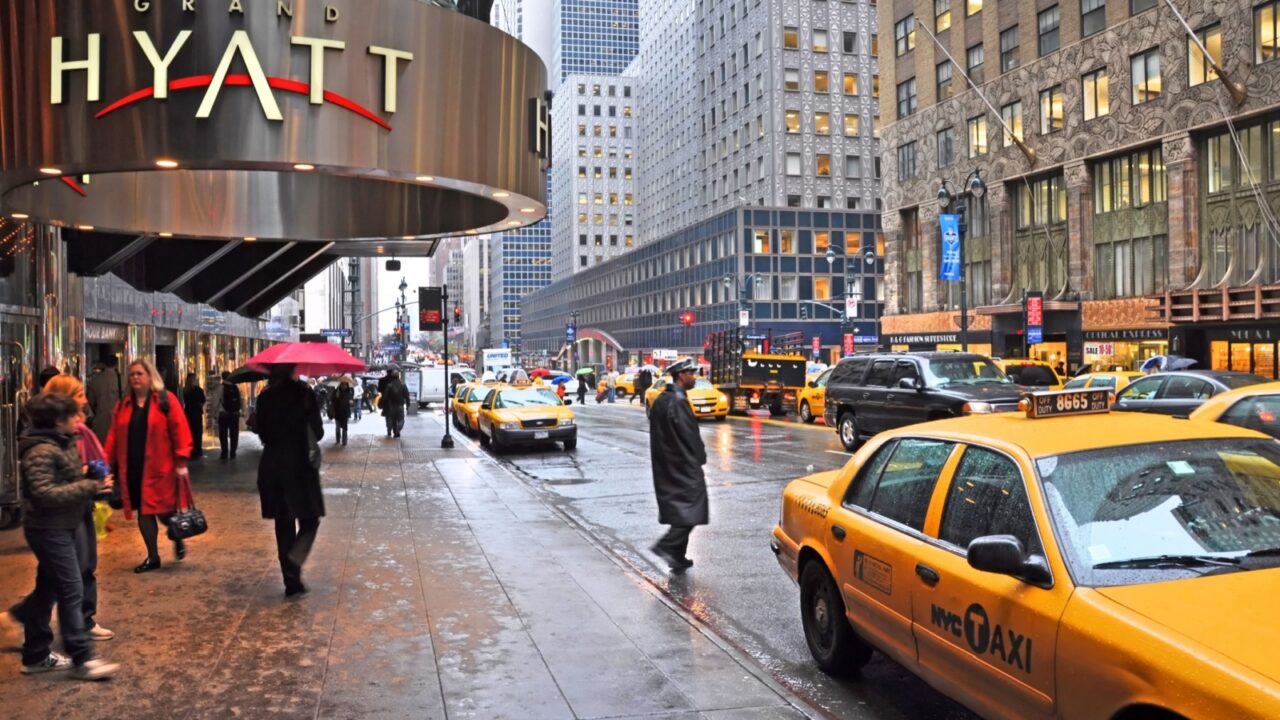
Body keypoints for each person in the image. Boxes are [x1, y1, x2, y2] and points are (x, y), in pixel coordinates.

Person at [5, 374, 115, 648]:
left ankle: (38, 640)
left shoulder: (69, 434)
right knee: (68, 581)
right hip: (56, 521)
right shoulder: (46, 444)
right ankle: (74, 646)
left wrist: (90, 480)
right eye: (78, 395)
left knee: (60, 579)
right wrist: (88, 483)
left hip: (71, 513)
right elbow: (47, 489)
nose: (85, 400)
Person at [104, 359, 194, 573]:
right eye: (132, 374)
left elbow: (179, 429)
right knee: (144, 512)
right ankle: (153, 556)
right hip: (134, 469)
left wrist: (181, 460)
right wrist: (105, 464)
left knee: (164, 511)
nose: (135, 377)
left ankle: (177, 535)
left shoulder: (165, 400)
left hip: (161, 468)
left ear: (150, 376)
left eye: (139, 374)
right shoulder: (124, 405)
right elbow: (113, 437)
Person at [253, 364, 324, 596]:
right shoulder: (304, 395)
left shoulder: (265, 398)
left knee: (283, 523)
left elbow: (261, 432)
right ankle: (295, 560)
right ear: (293, 371)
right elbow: (319, 432)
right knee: (310, 519)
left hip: (272, 466)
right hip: (300, 466)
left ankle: (291, 582)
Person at [647, 359, 708, 574]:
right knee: (692, 509)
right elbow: (688, 435)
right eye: (691, 373)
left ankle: (677, 557)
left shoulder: (663, 399)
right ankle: (668, 546)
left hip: (668, 465)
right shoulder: (677, 401)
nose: (695, 376)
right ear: (681, 375)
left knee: (682, 510)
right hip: (682, 465)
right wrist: (698, 458)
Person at [85, 355, 121, 443]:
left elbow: (90, 403)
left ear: (102, 364)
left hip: (100, 424)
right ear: (116, 364)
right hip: (119, 422)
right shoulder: (123, 379)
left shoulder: (94, 381)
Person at [216, 371, 243, 460]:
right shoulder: (236, 387)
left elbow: (215, 402)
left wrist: (214, 415)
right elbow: (241, 399)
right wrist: (243, 411)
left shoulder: (220, 387)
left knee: (223, 435)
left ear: (222, 378)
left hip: (223, 414)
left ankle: (224, 453)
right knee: (234, 434)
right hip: (235, 414)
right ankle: (233, 453)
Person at [181, 373, 206, 460]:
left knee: (190, 432)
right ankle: (197, 451)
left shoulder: (185, 390)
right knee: (198, 433)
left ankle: (190, 451)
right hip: (197, 413)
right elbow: (203, 400)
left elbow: (185, 401)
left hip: (188, 413)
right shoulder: (198, 390)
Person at [381, 369, 409, 438]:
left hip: (391, 405)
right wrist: (408, 404)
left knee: (391, 419)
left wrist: (383, 405)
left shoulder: (389, 386)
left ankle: (389, 431)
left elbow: (385, 397)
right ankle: (397, 429)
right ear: (398, 376)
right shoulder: (403, 385)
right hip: (400, 405)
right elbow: (407, 396)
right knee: (401, 419)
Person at [332, 378, 353, 446]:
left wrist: (351, 403)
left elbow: (352, 403)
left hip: (345, 412)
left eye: (345, 384)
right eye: (342, 384)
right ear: (340, 384)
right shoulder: (336, 391)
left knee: (344, 427)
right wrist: (335, 397)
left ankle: (344, 441)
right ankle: (338, 440)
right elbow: (332, 400)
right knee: (338, 427)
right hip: (337, 411)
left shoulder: (349, 392)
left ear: (347, 385)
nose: (344, 386)